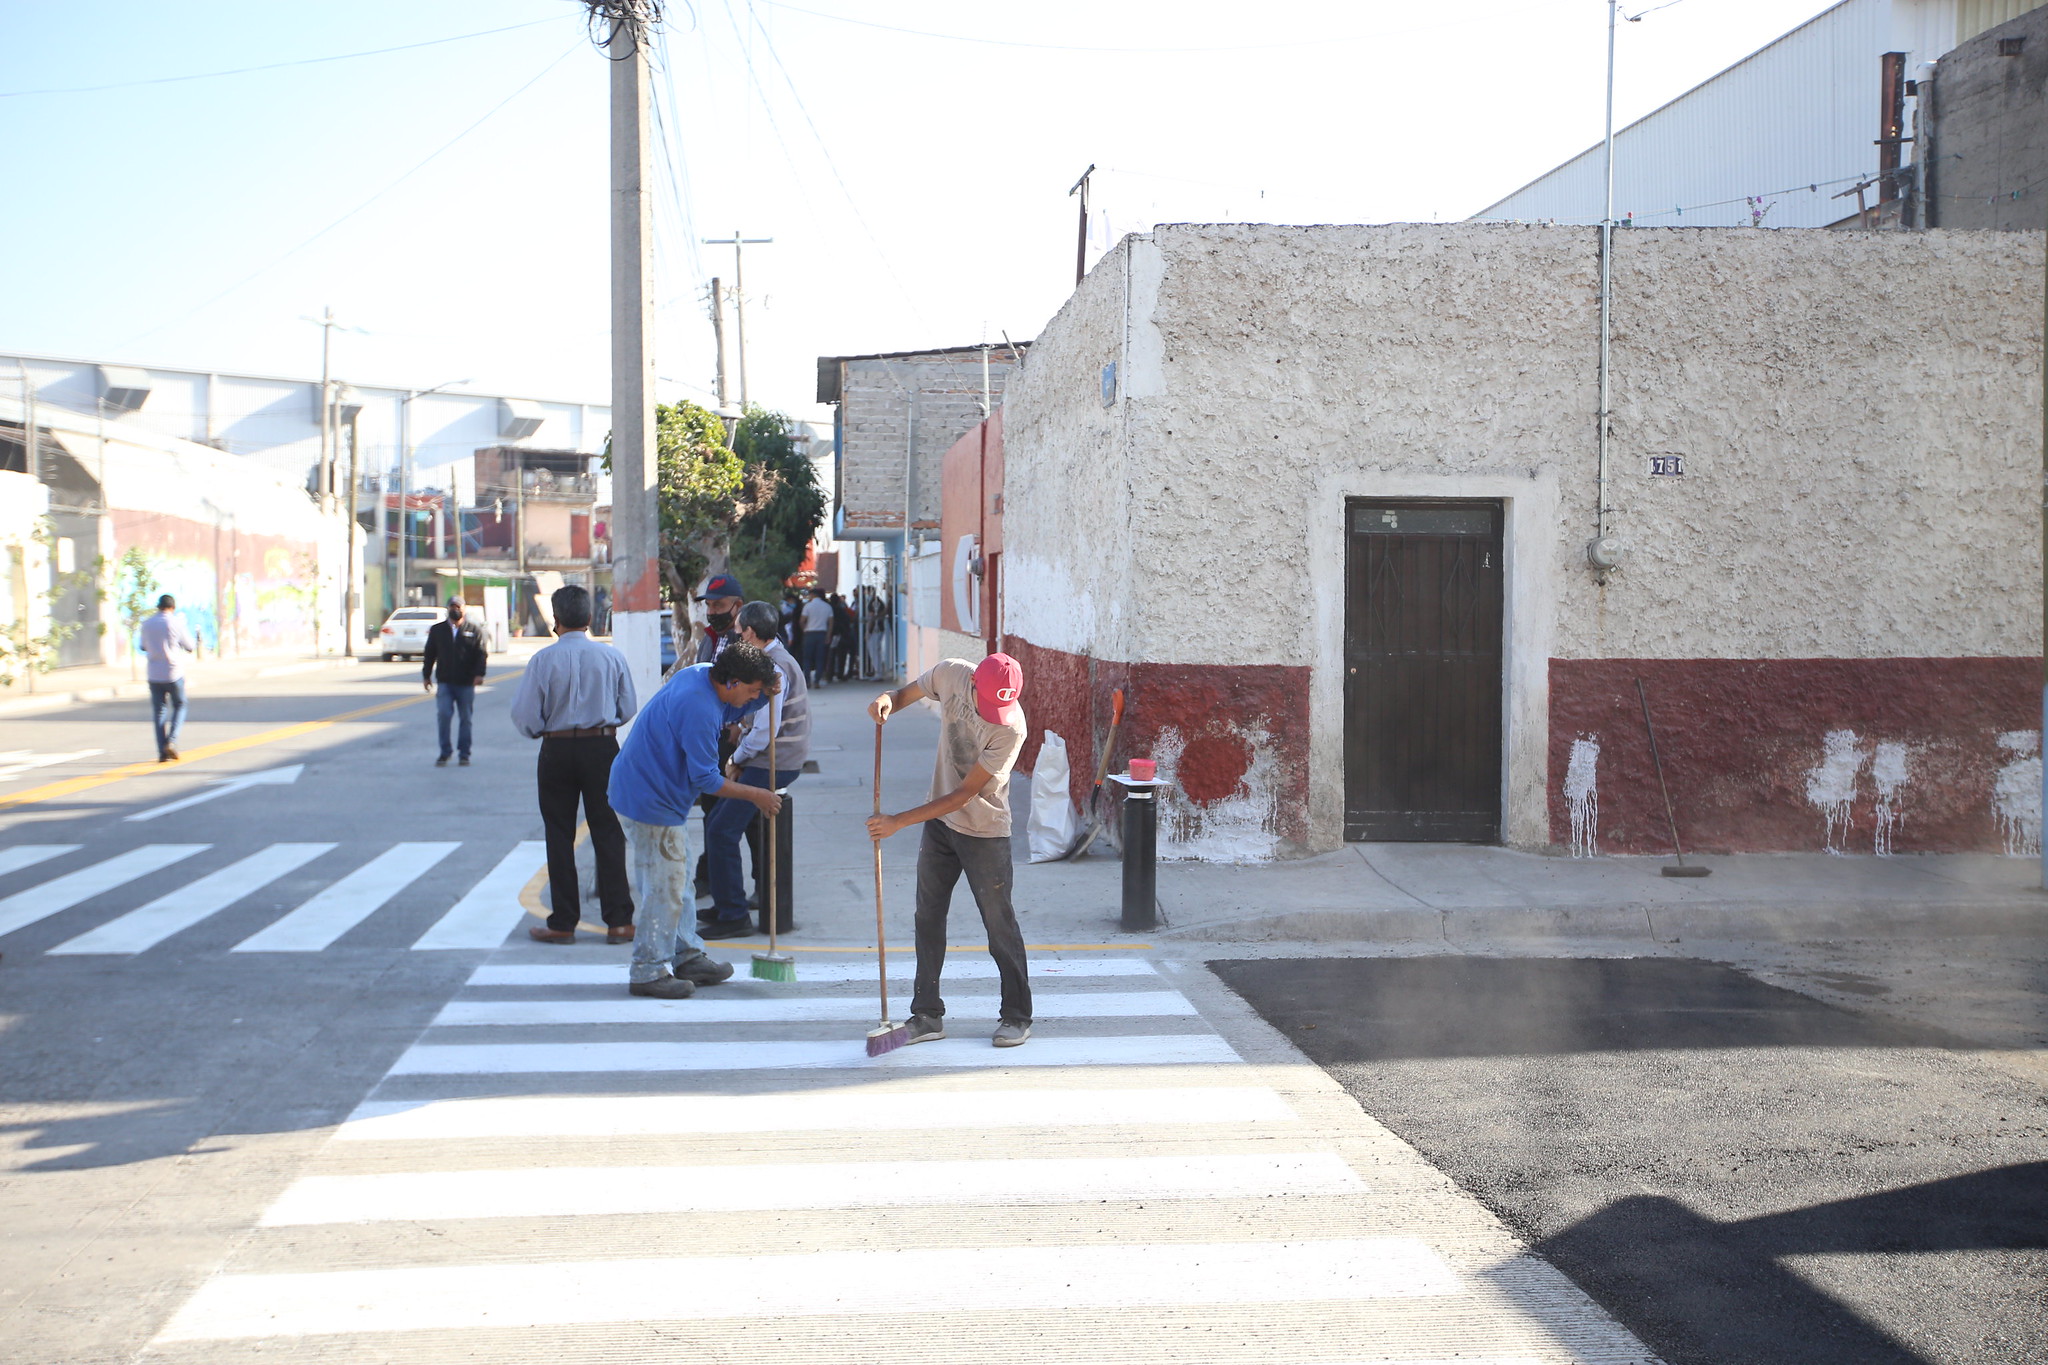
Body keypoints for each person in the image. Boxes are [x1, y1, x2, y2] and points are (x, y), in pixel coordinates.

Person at [866, 653, 1031, 1047]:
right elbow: (905, 694)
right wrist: (887, 700)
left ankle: (1017, 1015)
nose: (995, 715)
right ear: (974, 684)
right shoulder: (952, 674)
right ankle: (927, 1015)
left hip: (985, 831)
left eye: (1001, 708)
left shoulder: (1011, 729)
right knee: (928, 916)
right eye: (989, 705)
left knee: (998, 924)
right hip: (940, 827)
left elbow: (963, 795)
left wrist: (898, 821)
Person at [608, 641, 782, 999]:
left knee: (680, 881)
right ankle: (648, 970)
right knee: (665, 888)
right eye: (752, 690)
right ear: (732, 682)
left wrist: (766, 695)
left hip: (652, 793)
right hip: (649, 801)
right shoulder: (700, 708)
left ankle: (686, 955)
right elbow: (707, 779)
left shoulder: (703, 677)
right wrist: (758, 795)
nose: (754, 697)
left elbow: (735, 710)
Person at [510, 584, 639, 946]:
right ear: (589, 618)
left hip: (558, 749)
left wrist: (541, 730)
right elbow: (627, 708)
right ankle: (620, 922)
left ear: (556, 619)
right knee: (608, 831)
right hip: (602, 747)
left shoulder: (542, 660)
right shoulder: (611, 657)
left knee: (559, 833)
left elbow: (524, 715)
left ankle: (564, 922)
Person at [699, 601, 807, 937]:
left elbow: (764, 730)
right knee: (719, 822)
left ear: (751, 632)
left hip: (775, 761)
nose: (734, 636)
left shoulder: (774, 668)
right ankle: (726, 902)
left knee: (722, 830)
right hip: (767, 757)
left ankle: (734, 915)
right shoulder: (772, 659)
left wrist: (736, 760)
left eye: (738, 631)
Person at [422, 599, 488, 766]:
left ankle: (464, 753)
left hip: (466, 683)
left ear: (464, 609)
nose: (455, 610)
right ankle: (445, 752)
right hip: (445, 682)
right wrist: (426, 676)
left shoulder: (474, 630)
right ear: (448, 609)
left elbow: (481, 654)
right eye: (452, 607)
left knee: (466, 718)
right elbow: (429, 654)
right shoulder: (438, 630)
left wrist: (479, 674)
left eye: (458, 607)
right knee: (444, 715)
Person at [137, 594, 196, 762]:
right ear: (172, 607)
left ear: (158, 606)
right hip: (173, 672)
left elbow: (142, 646)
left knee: (159, 711)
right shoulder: (176, 623)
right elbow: (190, 646)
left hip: (154, 673)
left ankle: (162, 752)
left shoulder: (147, 623)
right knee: (180, 704)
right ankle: (172, 740)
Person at [693, 573, 744, 664]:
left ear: (738, 605)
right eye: (708, 605)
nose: (710, 612)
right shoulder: (709, 638)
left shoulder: (750, 639)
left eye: (718, 605)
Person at [799, 587, 833, 687]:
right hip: (822, 633)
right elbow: (831, 622)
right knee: (820, 658)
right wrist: (828, 635)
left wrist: (804, 630)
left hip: (810, 633)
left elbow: (801, 621)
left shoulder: (808, 606)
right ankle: (817, 681)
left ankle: (807, 680)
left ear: (813, 595)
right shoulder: (827, 606)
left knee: (807, 658)